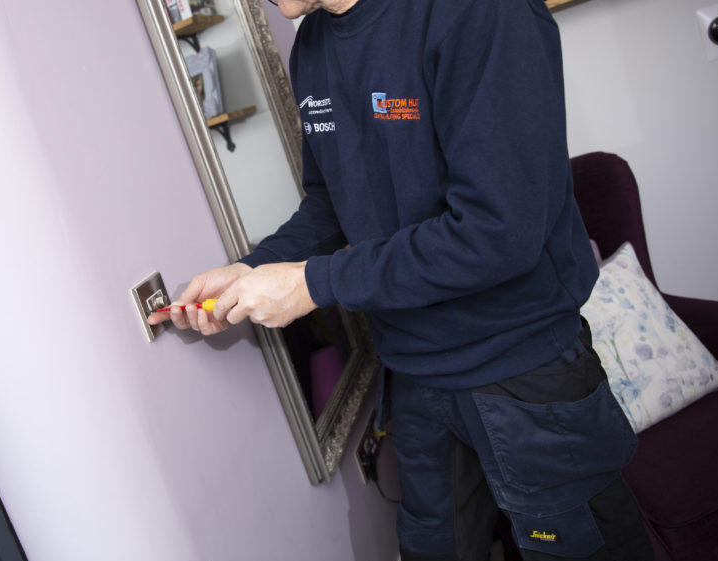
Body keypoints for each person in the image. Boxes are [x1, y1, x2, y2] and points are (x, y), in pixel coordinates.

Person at [149, 0, 654, 558]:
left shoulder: (484, 13)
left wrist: (313, 283)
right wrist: (252, 267)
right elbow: (330, 203)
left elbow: (497, 233)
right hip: (414, 378)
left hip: (520, 369)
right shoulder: (312, 44)